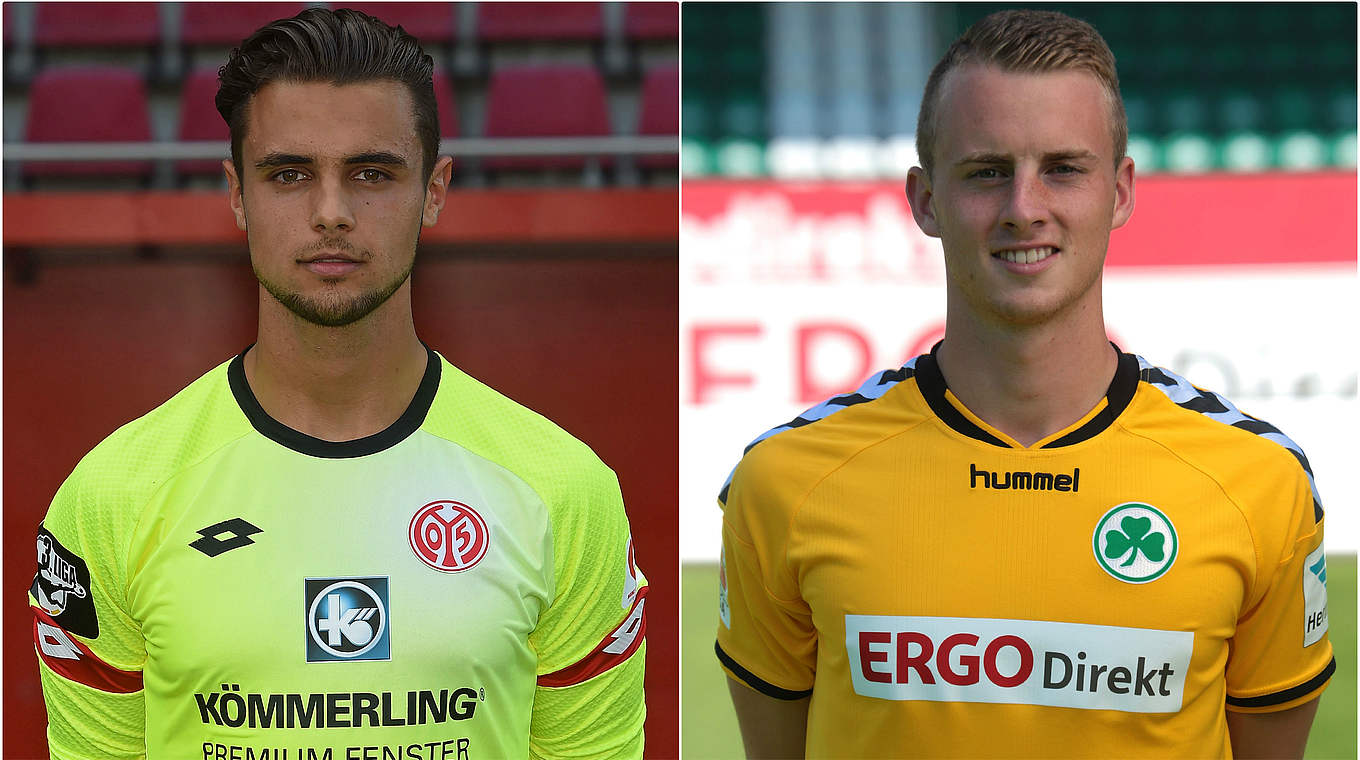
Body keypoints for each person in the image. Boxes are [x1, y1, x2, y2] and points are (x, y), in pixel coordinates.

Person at [28, 9, 646, 758]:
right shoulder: (112, 496)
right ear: (236, 195)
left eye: (372, 173)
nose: (331, 214)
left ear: (435, 191)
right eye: (289, 174)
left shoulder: (562, 489)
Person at [715, 9, 1331, 759]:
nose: (1023, 209)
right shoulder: (785, 481)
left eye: (1064, 169)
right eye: (987, 172)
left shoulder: (1257, 482)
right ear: (926, 199)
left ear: (1120, 192)